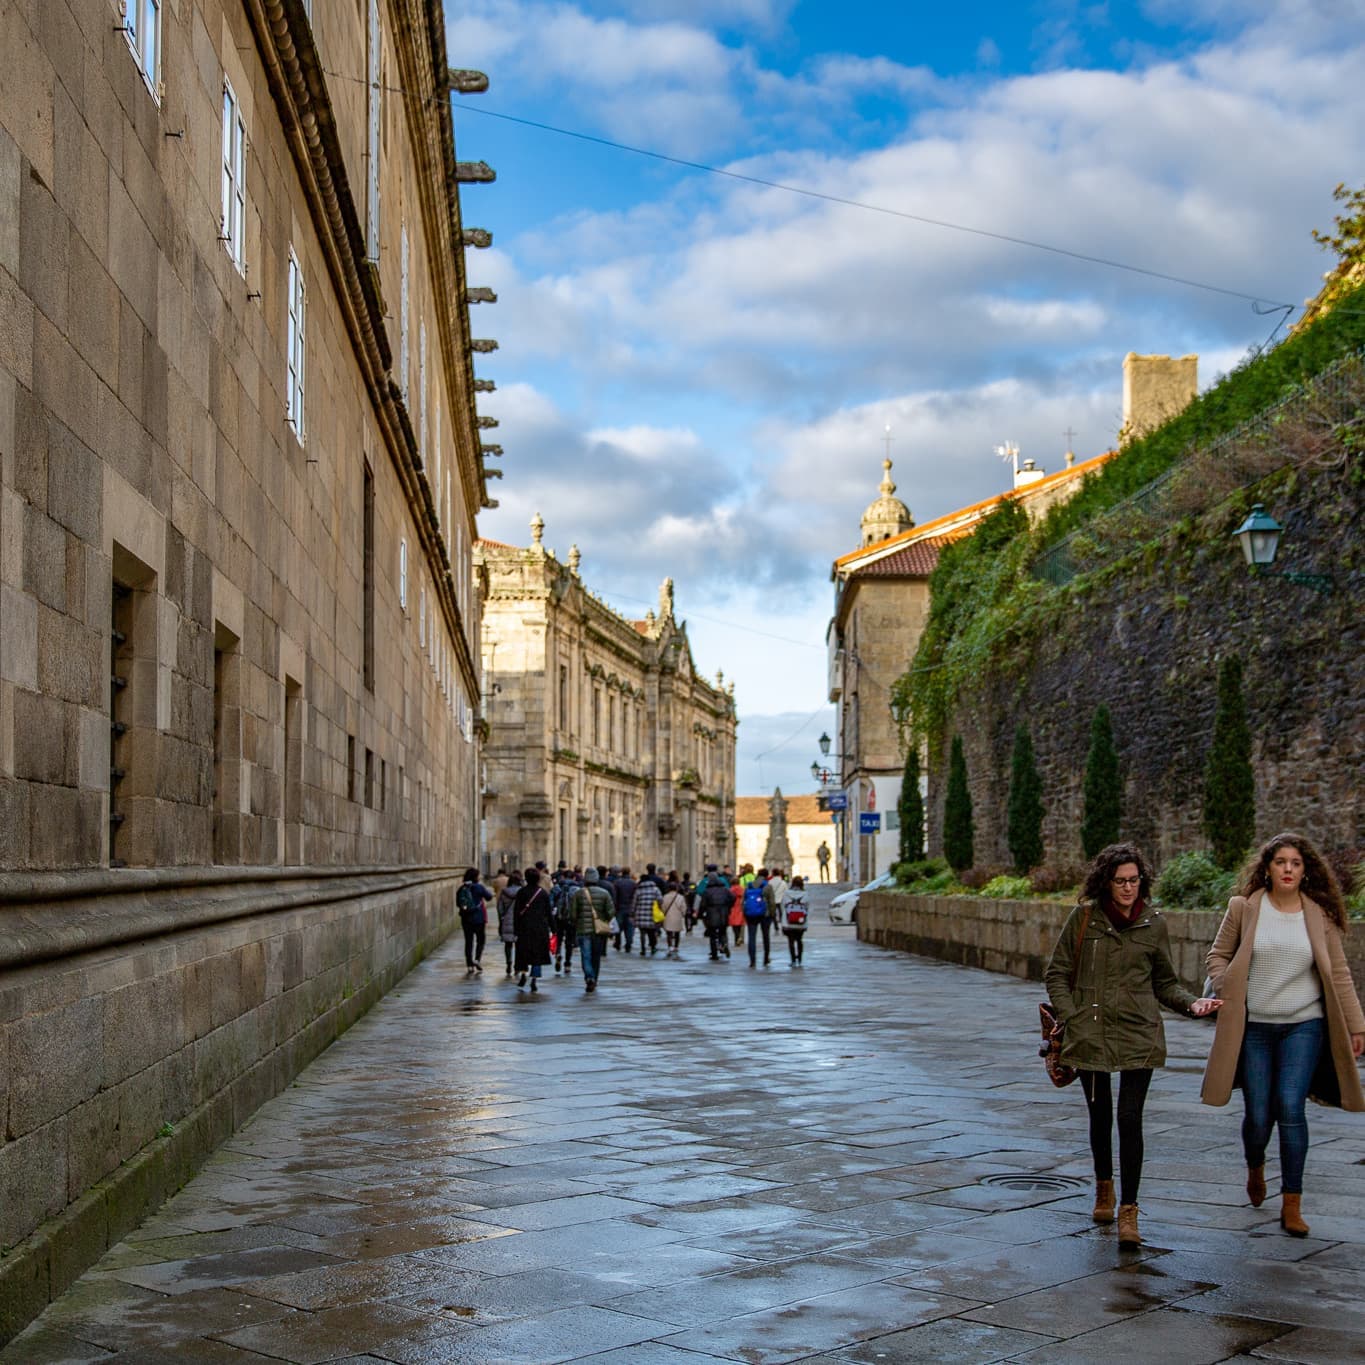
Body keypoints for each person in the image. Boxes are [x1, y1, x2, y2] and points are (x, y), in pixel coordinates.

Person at [1045, 842, 1221, 1249]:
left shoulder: (1153, 923)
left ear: (1143, 881)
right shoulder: (1084, 918)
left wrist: (1192, 1002)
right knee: (1099, 1114)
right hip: (1090, 1031)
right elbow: (1057, 973)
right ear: (1106, 882)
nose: (1128, 888)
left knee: (1130, 1118)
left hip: (1139, 1031)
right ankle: (1103, 1188)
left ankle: (1129, 1210)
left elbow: (1164, 982)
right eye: (1121, 881)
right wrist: (1071, 1017)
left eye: (1134, 880)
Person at [1201, 831, 1365, 1237]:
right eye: (1281, 862)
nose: (1288, 869)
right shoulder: (1244, 908)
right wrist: (1225, 983)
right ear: (1268, 868)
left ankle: (1292, 1203)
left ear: (1305, 870)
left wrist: (1357, 1025)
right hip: (1254, 1027)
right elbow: (1217, 955)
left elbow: (1339, 974)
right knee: (1259, 1116)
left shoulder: (1318, 916)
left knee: (1291, 1108)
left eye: (1296, 863)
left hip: (1303, 1026)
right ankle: (1255, 1167)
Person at [572, 866, 617, 993]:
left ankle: (589, 977)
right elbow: (611, 911)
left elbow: (573, 914)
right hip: (599, 930)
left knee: (585, 955)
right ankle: (594, 978)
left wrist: (578, 923)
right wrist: (604, 920)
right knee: (596, 956)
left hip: (583, 929)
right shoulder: (604, 893)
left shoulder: (578, 893)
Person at [513, 868, 553, 994]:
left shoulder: (521, 892)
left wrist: (516, 928)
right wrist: (554, 928)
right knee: (537, 953)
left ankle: (524, 973)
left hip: (524, 927)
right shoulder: (543, 893)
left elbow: (516, 912)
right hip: (540, 928)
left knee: (523, 952)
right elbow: (549, 913)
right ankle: (534, 978)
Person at [456, 868, 493, 973]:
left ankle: (469, 965)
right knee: (480, 940)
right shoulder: (479, 887)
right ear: (475, 877)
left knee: (468, 942)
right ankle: (477, 959)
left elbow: (458, 904)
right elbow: (489, 897)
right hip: (479, 919)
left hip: (466, 919)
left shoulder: (462, 888)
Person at [699, 868, 733, 961]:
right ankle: (724, 944)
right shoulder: (725, 890)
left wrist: (700, 915)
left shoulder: (707, 891)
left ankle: (714, 954)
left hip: (711, 914)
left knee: (713, 935)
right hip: (723, 913)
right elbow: (732, 898)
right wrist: (728, 908)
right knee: (723, 931)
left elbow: (702, 905)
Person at [743, 868, 772, 968]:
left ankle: (752, 960)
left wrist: (745, 913)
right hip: (765, 914)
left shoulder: (749, 885)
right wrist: (772, 915)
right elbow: (772, 902)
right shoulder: (767, 886)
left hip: (751, 914)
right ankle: (766, 958)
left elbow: (744, 901)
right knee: (766, 936)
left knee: (751, 937)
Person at [496, 869, 523, 975]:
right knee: (519, 945)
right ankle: (517, 967)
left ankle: (508, 963)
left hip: (507, 920)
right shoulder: (522, 892)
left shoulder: (504, 892)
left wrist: (502, 919)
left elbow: (500, 908)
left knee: (508, 945)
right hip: (519, 921)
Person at [781, 875, 810, 965]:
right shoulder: (805, 894)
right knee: (799, 940)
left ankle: (793, 959)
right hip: (801, 922)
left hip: (789, 922)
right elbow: (807, 907)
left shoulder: (787, 893)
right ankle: (800, 958)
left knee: (791, 941)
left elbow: (784, 906)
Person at [633, 874, 663, 956]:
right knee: (652, 932)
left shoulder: (638, 890)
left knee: (642, 933)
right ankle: (653, 947)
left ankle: (643, 949)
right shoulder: (655, 889)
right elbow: (660, 900)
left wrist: (633, 913)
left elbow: (634, 903)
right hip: (652, 914)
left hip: (641, 914)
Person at [660, 879, 688, 957]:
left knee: (668, 933)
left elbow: (663, 907)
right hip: (677, 916)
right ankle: (676, 946)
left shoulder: (665, 896)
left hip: (668, 916)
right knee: (677, 933)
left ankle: (669, 946)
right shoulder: (680, 897)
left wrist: (663, 913)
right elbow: (683, 907)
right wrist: (683, 914)